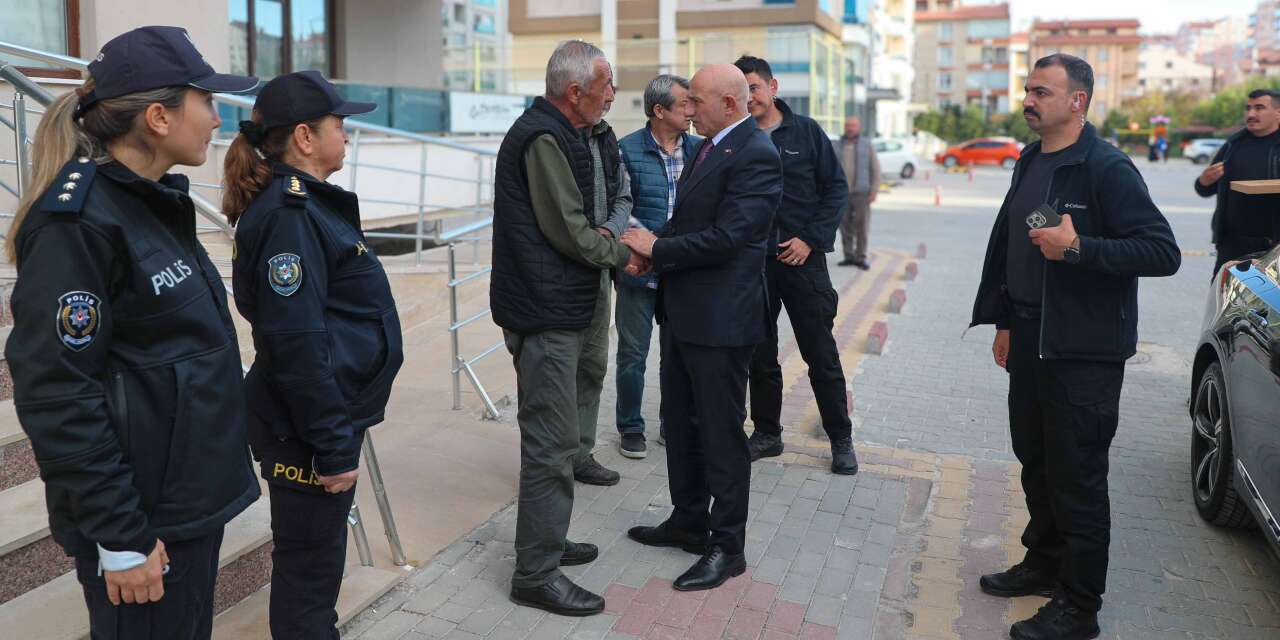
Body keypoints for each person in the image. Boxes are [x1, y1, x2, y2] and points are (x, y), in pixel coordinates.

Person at [3, 26, 260, 639]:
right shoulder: (77, 224)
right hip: (145, 521)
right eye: (206, 101)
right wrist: (121, 536)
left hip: (185, 503)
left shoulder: (151, 203)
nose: (217, 119)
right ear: (158, 117)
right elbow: (57, 392)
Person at [971, 54, 1180, 640]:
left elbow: (1161, 252)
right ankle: (1043, 562)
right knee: (1036, 460)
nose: (1027, 100)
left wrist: (1080, 248)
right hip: (1030, 337)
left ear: (1077, 100)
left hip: (1083, 352)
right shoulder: (1032, 158)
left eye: (1041, 91)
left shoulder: (1106, 167)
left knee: (1077, 477)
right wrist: (1005, 320)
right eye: (1028, 90)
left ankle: (1079, 606)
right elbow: (1016, 241)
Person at [222, 70, 404, 639]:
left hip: (321, 416)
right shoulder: (290, 217)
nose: (346, 135)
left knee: (317, 570)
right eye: (338, 124)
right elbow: (294, 343)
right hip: (307, 426)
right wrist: (331, 443)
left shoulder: (305, 207)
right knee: (309, 575)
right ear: (304, 136)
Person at [489, 39, 648, 616]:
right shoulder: (543, 138)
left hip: (565, 304)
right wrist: (623, 253)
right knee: (551, 446)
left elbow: (607, 204)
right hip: (545, 313)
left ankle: (546, 543)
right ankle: (535, 575)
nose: (612, 95)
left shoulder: (578, 134)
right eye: (606, 86)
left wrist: (611, 243)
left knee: (559, 440)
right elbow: (571, 231)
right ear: (575, 91)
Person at [621, 63, 782, 591]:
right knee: (682, 424)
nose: (688, 111)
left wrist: (658, 248)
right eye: (686, 101)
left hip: (721, 322)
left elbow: (730, 237)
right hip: (685, 313)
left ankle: (727, 547)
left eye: (697, 101)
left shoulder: (756, 153)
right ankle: (689, 520)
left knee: (720, 434)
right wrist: (653, 253)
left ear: (729, 105)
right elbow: (687, 222)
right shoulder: (708, 147)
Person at [732, 56, 857, 475]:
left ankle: (840, 438)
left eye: (754, 87)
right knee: (760, 353)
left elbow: (836, 189)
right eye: (741, 90)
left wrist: (811, 240)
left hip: (803, 261)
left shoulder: (806, 132)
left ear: (772, 87)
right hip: (755, 263)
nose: (749, 96)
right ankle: (767, 433)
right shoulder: (739, 138)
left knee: (820, 354)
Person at [614, 74, 701, 459]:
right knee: (632, 355)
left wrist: (669, 249)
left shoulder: (699, 149)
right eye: (684, 103)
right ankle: (630, 427)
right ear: (659, 110)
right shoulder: (626, 149)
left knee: (676, 355)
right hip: (638, 270)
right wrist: (646, 248)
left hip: (681, 271)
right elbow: (619, 207)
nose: (692, 110)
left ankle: (672, 422)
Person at [572, 107, 634, 486]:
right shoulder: (552, 137)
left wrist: (608, 233)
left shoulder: (606, 137)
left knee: (593, 364)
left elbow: (624, 196)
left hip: (598, 268)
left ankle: (581, 453)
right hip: (562, 272)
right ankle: (555, 458)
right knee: (559, 369)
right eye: (604, 85)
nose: (610, 95)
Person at [1194, 88, 1280, 275]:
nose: (1251, 114)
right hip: (1232, 245)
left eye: (1259, 108)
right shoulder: (1233, 144)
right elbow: (1204, 189)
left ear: (1278, 113)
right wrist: (1203, 181)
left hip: (1274, 246)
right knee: (1224, 293)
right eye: (1248, 108)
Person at [836, 116, 881, 269]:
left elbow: (875, 169)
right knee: (844, 226)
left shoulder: (867, 145)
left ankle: (860, 257)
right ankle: (848, 256)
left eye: (853, 125)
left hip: (861, 192)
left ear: (859, 127)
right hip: (841, 193)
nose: (850, 128)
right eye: (847, 125)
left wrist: (874, 190)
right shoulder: (837, 145)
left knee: (862, 226)